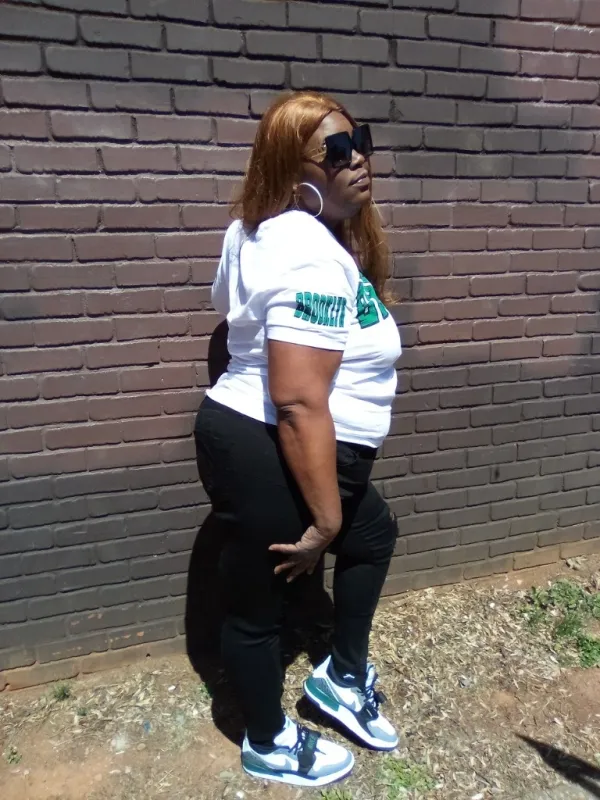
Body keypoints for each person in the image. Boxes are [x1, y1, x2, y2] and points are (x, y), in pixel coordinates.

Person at [194, 90, 402, 788]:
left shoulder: (254, 230)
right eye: (336, 151)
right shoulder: (310, 255)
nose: (358, 158)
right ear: (294, 169)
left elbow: (228, 309)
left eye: (359, 140)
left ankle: (340, 677)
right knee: (260, 602)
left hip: (279, 436)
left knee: (373, 536)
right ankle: (267, 740)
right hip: (271, 441)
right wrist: (325, 518)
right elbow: (297, 399)